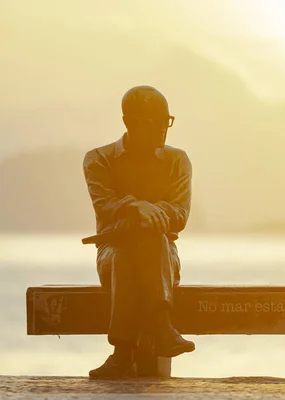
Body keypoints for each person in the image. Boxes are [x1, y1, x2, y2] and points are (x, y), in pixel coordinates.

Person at [82, 85, 195, 379]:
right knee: (125, 253)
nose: (162, 130)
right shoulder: (98, 159)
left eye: (165, 121)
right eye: (152, 123)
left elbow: (179, 215)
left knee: (149, 239)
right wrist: (138, 206)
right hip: (112, 253)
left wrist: (143, 213)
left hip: (163, 259)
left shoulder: (177, 161)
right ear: (128, 122)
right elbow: (105, 205)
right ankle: (163, 327)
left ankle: (121, 354)